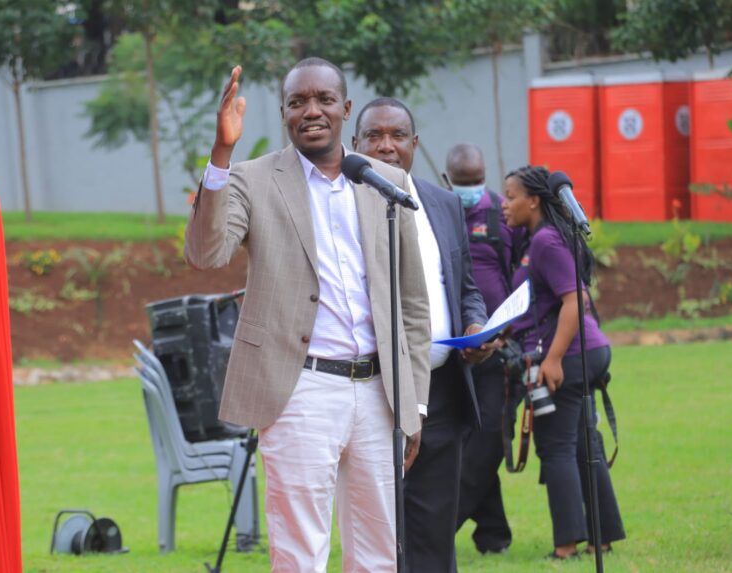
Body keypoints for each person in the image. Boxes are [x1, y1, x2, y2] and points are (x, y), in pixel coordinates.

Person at [184, 59, 432, 572]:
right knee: (299, 553)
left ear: (346, 109)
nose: (311, 111)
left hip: (379, 394)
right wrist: (223, 152)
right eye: (297, 102)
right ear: (283, 114)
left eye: (323, 100)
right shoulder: (252, 179)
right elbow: (206, 254)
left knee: (381, 553)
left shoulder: (386, 182)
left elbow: (411, 305)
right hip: (300, 389)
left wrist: (415, 404)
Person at [352, 97, 492, 572]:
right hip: (374, 392)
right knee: (380, 535)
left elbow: (465, 285)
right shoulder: (341, 208)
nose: (386, 146)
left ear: (416, 144)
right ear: (355, 145)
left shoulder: (444, 202)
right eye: (374, 136)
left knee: (434, 535)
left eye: (397, 135)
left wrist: (475, 325)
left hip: (444, 391)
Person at [502, 165, 625, 559]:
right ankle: (601, 538)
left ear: (534, 200)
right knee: (583, 444)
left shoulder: (545, 242)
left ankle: (566, 546)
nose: (505, 205)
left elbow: (577, 301)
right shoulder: (543, 237)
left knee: (557, 448)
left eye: (510, 197)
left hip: (569, 356)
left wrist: (552, 359)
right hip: (586, 351)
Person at [445, 143, 516, 555]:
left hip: (499, 353)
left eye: (477, 182)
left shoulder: (501, 215)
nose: (472, 190)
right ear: (451, 180)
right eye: (464, 183)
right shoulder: (441, 214)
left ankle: (436, 530)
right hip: (455, 353)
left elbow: (518, 272)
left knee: (486, 442)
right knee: (470, 440)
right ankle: (493, 536)